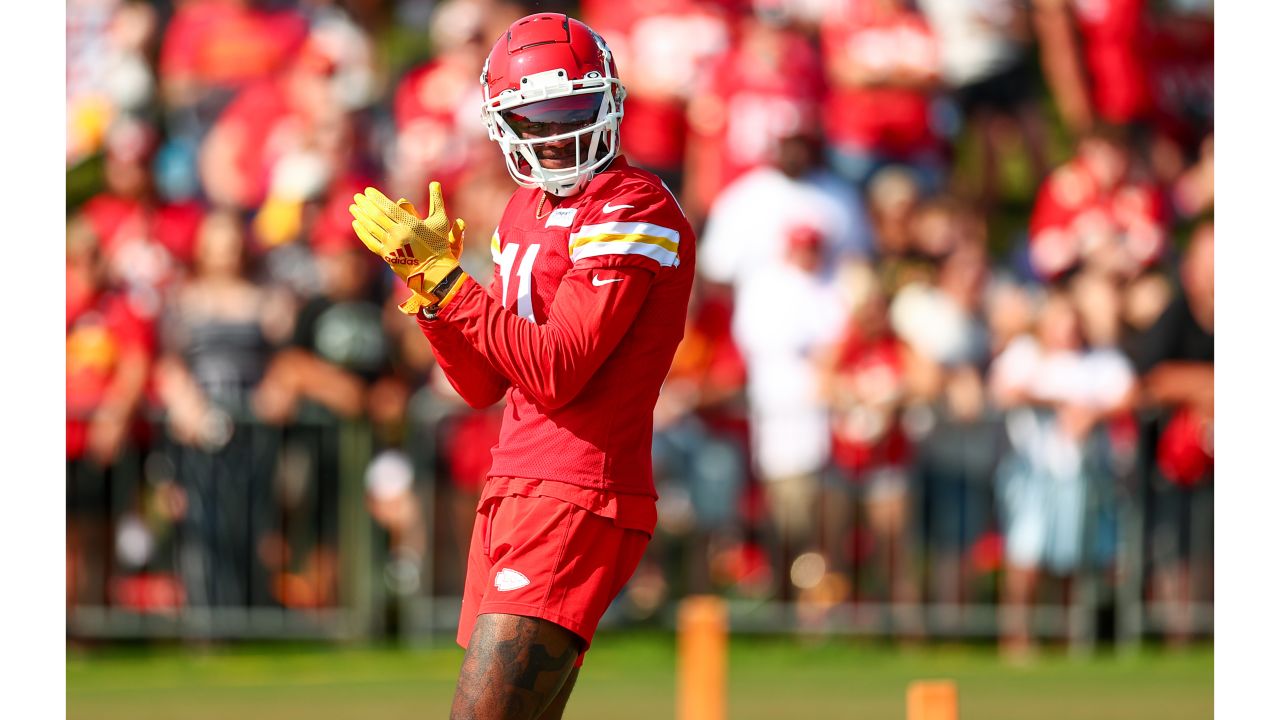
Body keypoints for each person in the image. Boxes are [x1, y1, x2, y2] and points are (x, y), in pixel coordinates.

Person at [349, 13, 695, 720]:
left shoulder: (633, 203)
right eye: (537, 118)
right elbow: (481, 384)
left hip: (576, 489)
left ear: (610, 102)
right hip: (515, 482)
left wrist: (453, 283)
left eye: (575, 109)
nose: (560, 132)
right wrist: (429, 294)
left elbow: (559, 368)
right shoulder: (522, 209)